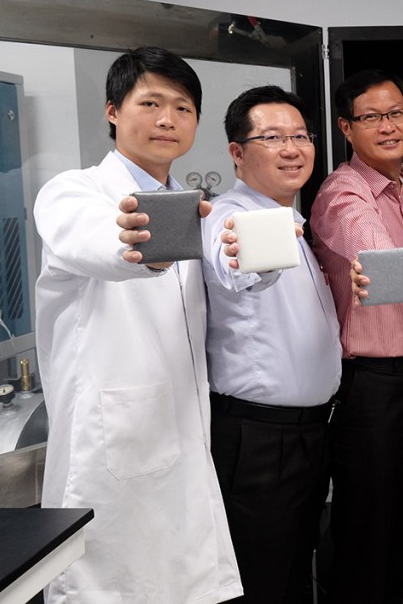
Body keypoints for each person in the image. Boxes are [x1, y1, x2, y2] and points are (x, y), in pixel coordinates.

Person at [34, 46, 242, 603]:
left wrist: (254, 266)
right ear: (111, 111)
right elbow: (93, 240)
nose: (167, 119)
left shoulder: (194, 204)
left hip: (178, 430)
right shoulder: (73, 193)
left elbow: (229, 270)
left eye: (182, 107)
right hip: (112, 444)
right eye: (149, 102)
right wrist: (136, 245)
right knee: (112, 583)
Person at [203, 85, 342, 603]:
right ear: (237, 152)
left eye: (300, 136)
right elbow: (233, 266)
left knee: (291, 574)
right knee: (260, 578)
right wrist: (248, 260)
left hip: (308, 434)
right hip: (259, 439)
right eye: (272, 138)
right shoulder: (227, 216)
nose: (292, 148)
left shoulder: (295, 223)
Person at [309, 70, 403, 603]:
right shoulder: (341, 190)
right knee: (365, 537)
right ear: (346, 126)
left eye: (398, 113)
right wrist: (383, 264)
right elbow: (364, 236)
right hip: (370, 389)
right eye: (372, 117)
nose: (389, 126)